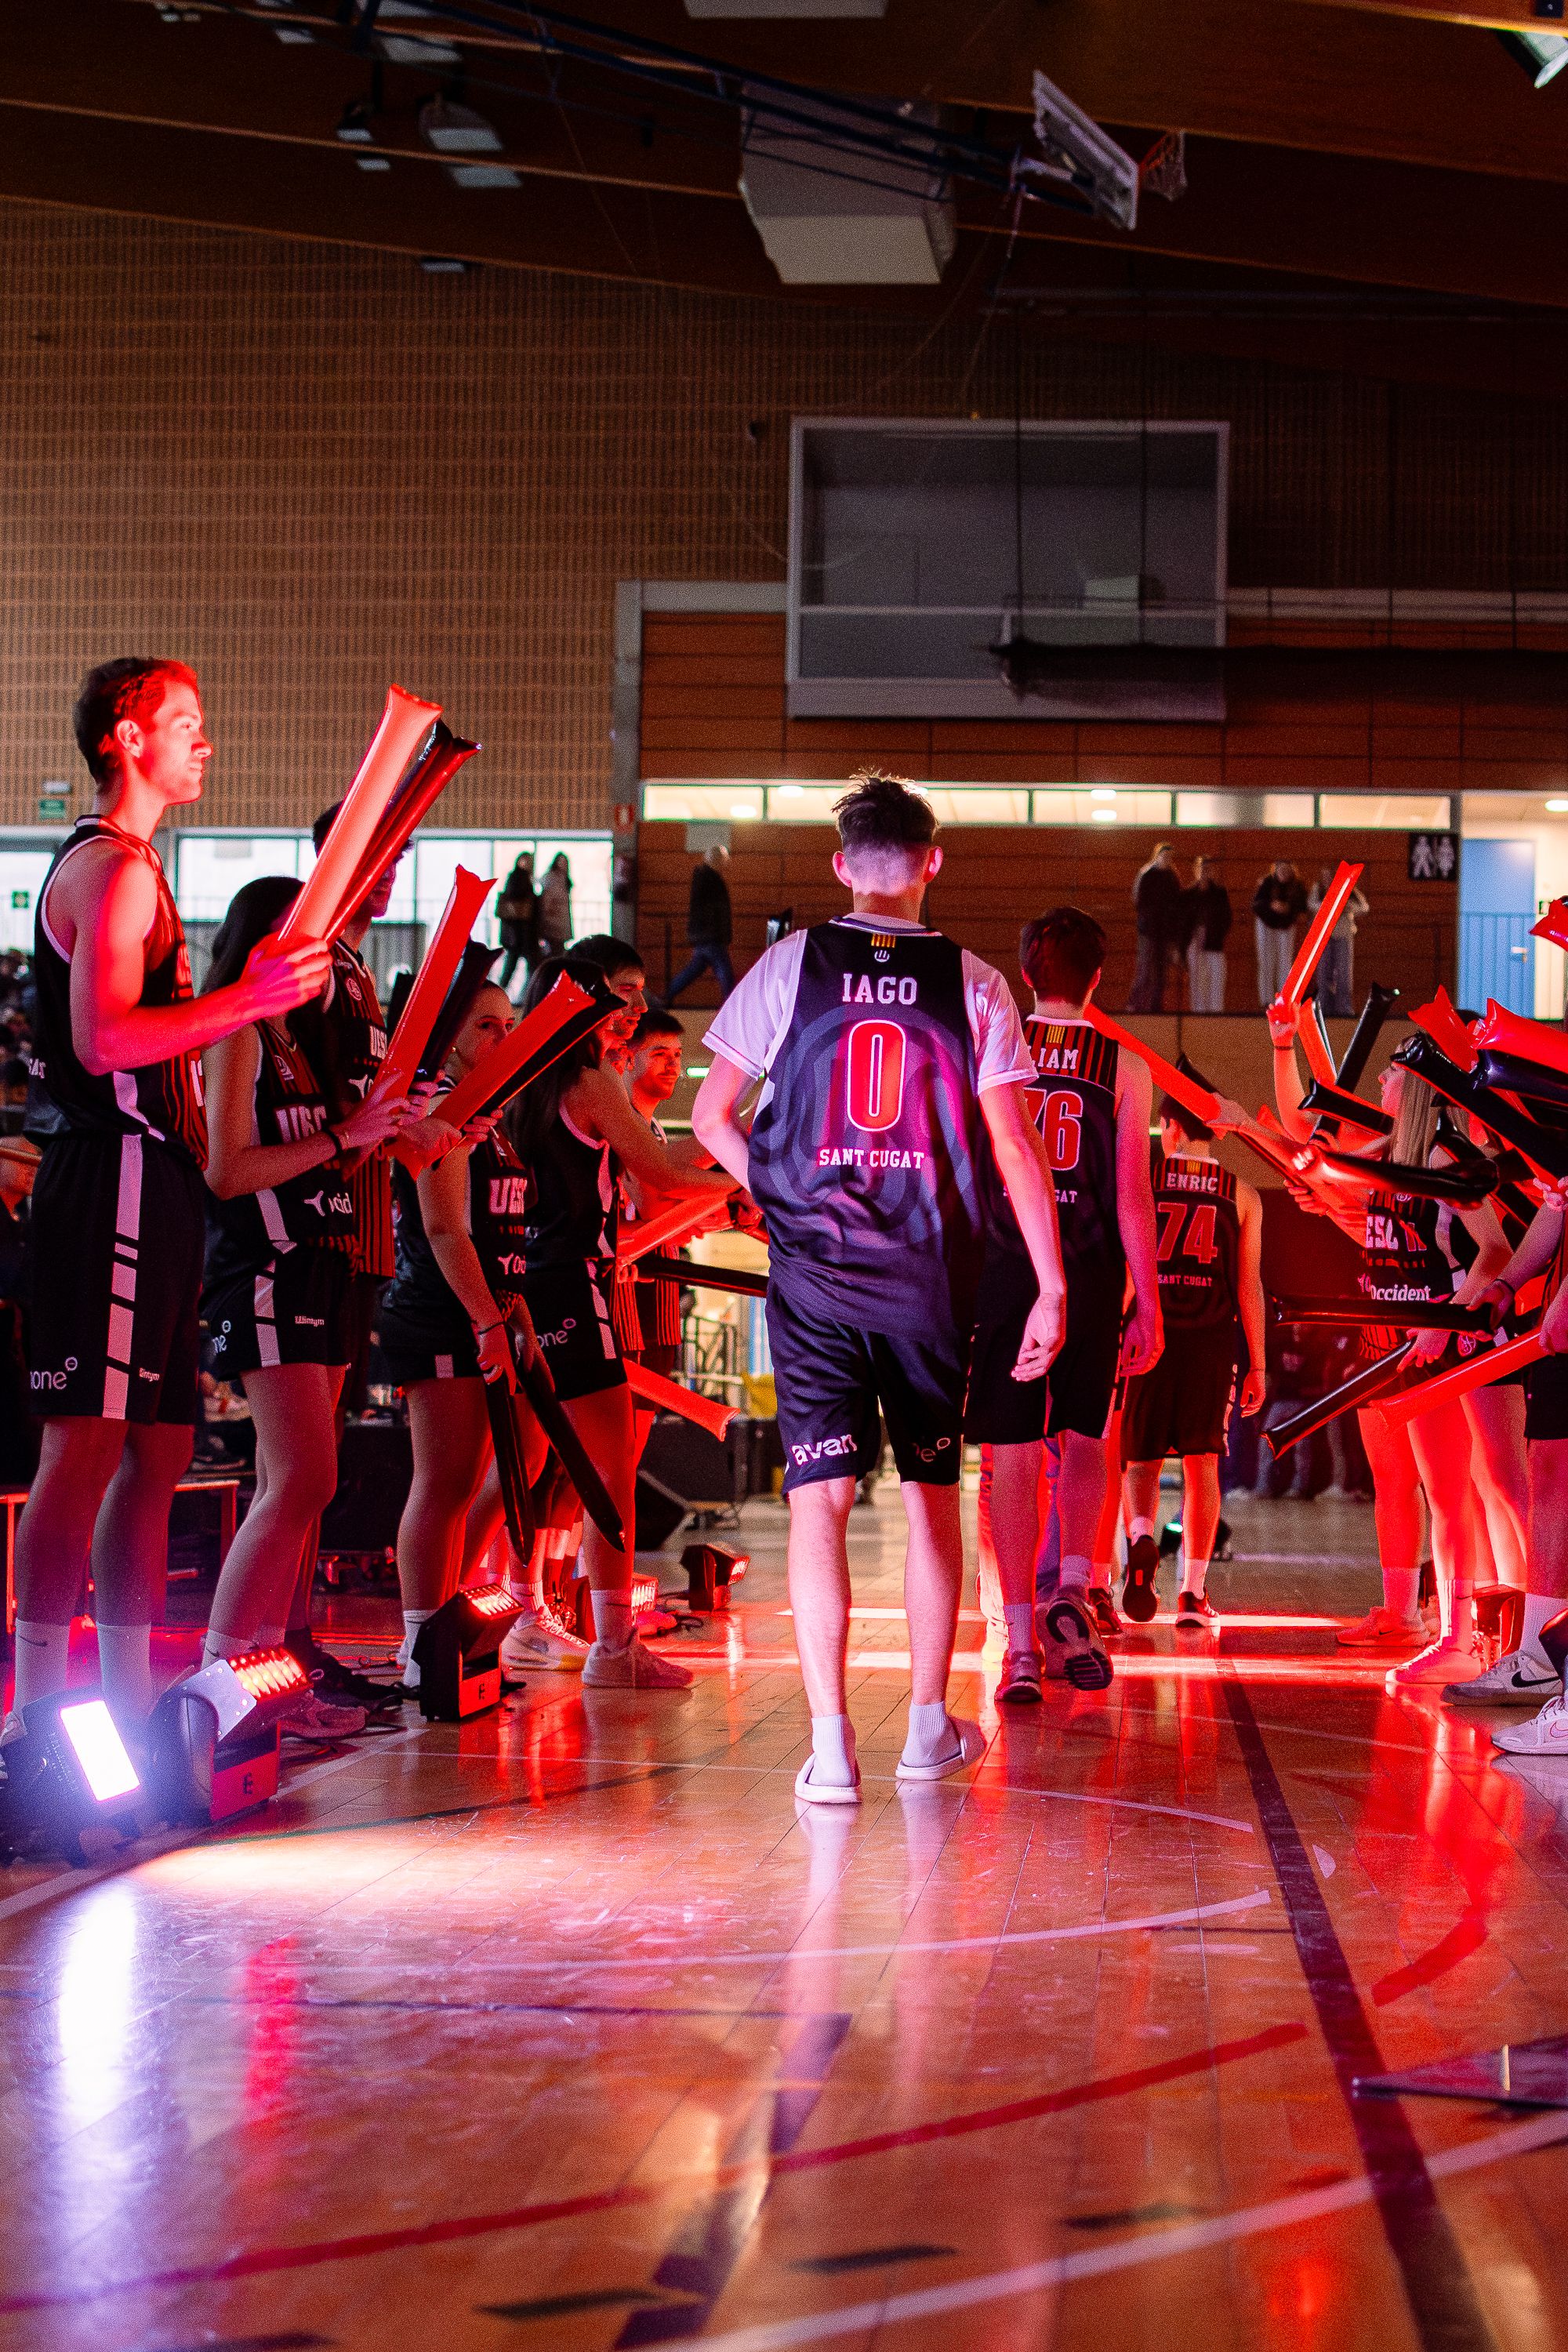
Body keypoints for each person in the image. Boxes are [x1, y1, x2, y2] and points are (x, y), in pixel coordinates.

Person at [692, 770, 1067, 1804]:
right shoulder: (978, 983)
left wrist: (784, 1198)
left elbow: (714, 1117)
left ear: (841, 867)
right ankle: (924, 1732)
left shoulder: (789, 962)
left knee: (819, 1501)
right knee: (932, 1499)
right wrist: (1050, 1284)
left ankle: (829, 1750)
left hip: (815, 1277)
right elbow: (1015, 1146)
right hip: (929, 1276)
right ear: (932, 863)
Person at [8, 658, 330, 1758]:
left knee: (159, 1450)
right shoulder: (110, 869)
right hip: (111, 1174)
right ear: (122, 737)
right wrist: (248, 998)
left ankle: (138, 1700)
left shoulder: (138, 866)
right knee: (84, 1451)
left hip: (160, 1184)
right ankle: (44, 1712)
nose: (205, 740)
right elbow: (104, 1043)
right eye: (184, 721)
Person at [198, 877, 411, 1729]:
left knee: (298, 1486)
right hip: (263, 1266)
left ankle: (268, 1682)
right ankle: (220, 1688)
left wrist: (380, 1133)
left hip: (320, 1261)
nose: (327, 957)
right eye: (307, 939)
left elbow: (327, 1161)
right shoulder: (238, 1028)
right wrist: (338, 1138)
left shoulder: (302, 1041)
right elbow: (226, 1171)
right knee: (300, 1477)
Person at [510, 953, 735, 1690]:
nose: (638, 1006)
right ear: (578, 995)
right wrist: (758, 1180)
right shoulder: (591, 1079)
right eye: (624, 991)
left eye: (642, 990)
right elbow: (662, 1178)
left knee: (524, 1472)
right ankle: (610, 1648)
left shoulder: (530, 1075)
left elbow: (647, 1190)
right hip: (571, 1287)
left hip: (530, 1284)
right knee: (607, 1476)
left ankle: (515, 1617)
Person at [1269, 1018, 1511, 1684]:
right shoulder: (1391, 1152)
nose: (1380, 1077)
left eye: (1394, 1070)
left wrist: (1447, 1318)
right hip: (1403, 1344)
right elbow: (1305, 1134)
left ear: (1423, 1087)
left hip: (1452, 1339)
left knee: (1478, 1492)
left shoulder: (1443, 1156)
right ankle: (1460, 1634)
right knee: (1442, 1491)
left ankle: (1493, 1636)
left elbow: (1496, 1251)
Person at [964, 906, 1161, 1699]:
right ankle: (1072, 1589)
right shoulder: (1123, 1064)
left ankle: (1015, 1639)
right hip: (1089, 1271)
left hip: (1005, 1267)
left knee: (1008, 1457)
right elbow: (1133, 1197)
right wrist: (1144, 1299)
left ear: (1023, 973)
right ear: (1098, 980)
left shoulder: (989, 1047)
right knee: (1089, 1436)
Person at [378, 982, 548, 1691]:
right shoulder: (443, 1106)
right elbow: (446, 1229)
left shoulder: (493, 1115)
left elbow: (506, 1233)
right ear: (445, 1037)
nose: (500, 1038)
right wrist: (486, 1318)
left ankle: (448, 1621)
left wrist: (519, 1313)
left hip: (489, 1306)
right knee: (443, 1481)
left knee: (510, 1469)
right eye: (485, 1024)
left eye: (508, 1025)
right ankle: (420, 1644)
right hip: (434, 1308)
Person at [1120, 1096, 1266, 1626]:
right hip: (1211, 1341)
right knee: (1202, 1465)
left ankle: (1139, 1538)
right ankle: (1192, 1595)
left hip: (1150, 1330)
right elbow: (1249, 1286)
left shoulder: (1145, 1181)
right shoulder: (1243, 1194)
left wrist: (1117, 1336)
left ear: (1170, 1128)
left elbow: (1127, 1266)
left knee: (1141, 1460)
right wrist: (1259, 1366)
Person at [666, 844, 735, 1006]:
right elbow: (716, 910)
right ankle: (731, 1006)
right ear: (718, 860)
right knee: (725, 973)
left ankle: (666, 996)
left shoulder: (703, 877)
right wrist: (720, 933)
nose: (725, 863)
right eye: (724, 860)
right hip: (711, 935)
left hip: (703, 935)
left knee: (694, 969)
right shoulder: (711, 879)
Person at [1308, 865, 1369, 1018]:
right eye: (1326, 877)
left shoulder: (1348, 890)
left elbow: (1364, 907)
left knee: (1344, 973)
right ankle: (1323, 1008)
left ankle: (1344, 1008)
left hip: (1344, 935)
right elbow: (1311, 904)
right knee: (1323, 973)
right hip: (1324, 936)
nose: (1329, 880)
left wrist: (1346, 906)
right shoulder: (1318, 889)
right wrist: (1329, 905)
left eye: (1332, 877)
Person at [1128, 844, 1181, 1012]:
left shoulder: (1172, 877)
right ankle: (1136, 1004)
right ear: (1157, 856)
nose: (1167, 860)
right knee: (1145, 968)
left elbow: (1175, 906)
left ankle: (1156, 1005)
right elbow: (1140, 901)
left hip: (1164, 932)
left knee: (1161, 971)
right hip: (1149, 930)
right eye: (1164, 856)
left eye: (1169, 857)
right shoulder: (1148, 874)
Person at [1181, 855, 1232, 1014]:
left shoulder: (1219, 893)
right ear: (1196, 870)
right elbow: (1182, 922)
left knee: (1216, 984)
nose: (1204, 872)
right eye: (1201, 868)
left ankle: (1216, 1020)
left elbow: (1226, 918)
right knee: (1198, 987)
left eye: (1207, 869)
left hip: (1214, 945)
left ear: (1212, 872)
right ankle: (1198, 1019)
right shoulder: (1188, 894)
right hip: (1194, 945)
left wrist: (1215, 935)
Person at [1252, 861, 1307, 1006]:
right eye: (1280, 869)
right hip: (1266, 924)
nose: (1283, 871)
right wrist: (1272, 906)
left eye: (1286, 869)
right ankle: (1266, 1001)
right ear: (1275, 870)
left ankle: (1284, 1000)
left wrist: (1288, 908)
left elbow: (1302, 907)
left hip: (1286, 926)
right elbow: (1257, 904)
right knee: (1266, 962)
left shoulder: (1297, 886)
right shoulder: (1267, 883)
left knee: (1285, 963)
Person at [496, 854, 539, 990]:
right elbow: (516, 898)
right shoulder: (518, 877)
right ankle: (524, 992)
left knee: (516, 962)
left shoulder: (522, 878)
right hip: (518, 929)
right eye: (524, 860)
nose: (527, 863)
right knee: (518, 962)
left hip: (519, 930)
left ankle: (512, 991)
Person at [538, 853, 572, 958]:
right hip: (554, 919)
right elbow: (547, 900)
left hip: (559, 919)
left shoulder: (563, 878)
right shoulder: (552, 878)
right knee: (555, 950)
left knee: (557, 950)